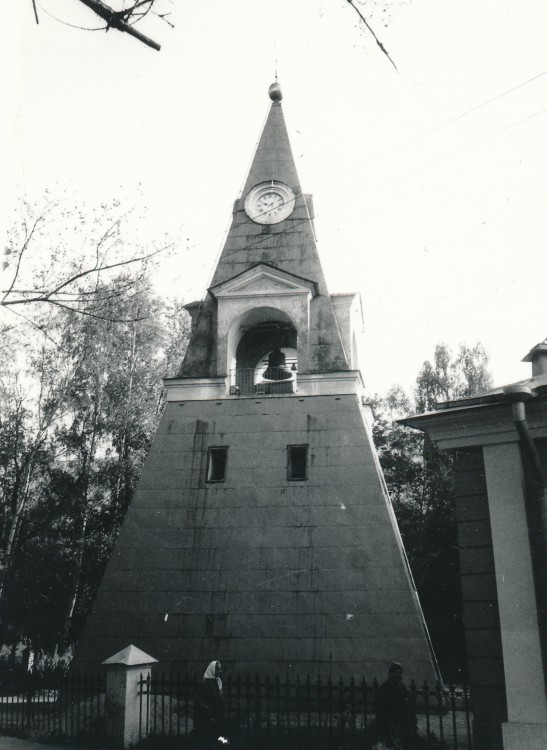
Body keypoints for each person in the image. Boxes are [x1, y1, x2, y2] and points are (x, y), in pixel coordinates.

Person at [375, 662, 416, 750]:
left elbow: (407, 701)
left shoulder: (402, 686)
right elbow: (380, 706)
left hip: (402, 720)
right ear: (390, 674)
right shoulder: (386, 687)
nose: (398, 675)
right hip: (390, 721)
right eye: (395, 673)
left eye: (399, 673)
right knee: (392, 744)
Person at [194, 660, 224, 746]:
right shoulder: (205, 683)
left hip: (216, 716)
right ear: (212, 670)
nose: (220, 671)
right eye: (218, 669)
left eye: (220, 669)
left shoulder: (217, 682)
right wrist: (208, 711)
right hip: (208, 717)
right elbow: (199, 700)